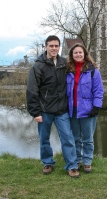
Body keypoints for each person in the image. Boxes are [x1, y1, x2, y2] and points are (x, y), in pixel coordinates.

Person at [26, 35, 79, 178]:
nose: (54, 48)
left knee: (68, 138)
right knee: (44, 139)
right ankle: (48, 162)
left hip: (62, 110)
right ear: (46, 47)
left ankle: (72, 165)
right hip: (44, 111)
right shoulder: (38, 66)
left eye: (56, 46)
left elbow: (77, 74)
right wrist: (35, 112)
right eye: (51, 46)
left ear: (59, 47)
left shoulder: (65, 63)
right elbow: (32, 90)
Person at [66, 43, 104, 173]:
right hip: (73, 110)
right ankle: (77, 160)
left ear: (85, 54)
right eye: (75, 53)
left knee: (88, 138)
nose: (78, 55)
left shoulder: (93, 71)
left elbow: (98, 90)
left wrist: (96, 106)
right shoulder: (67, 71)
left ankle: (87, 161)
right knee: (75, 138)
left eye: (80, 52)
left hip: (88, 110)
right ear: (72, 55)